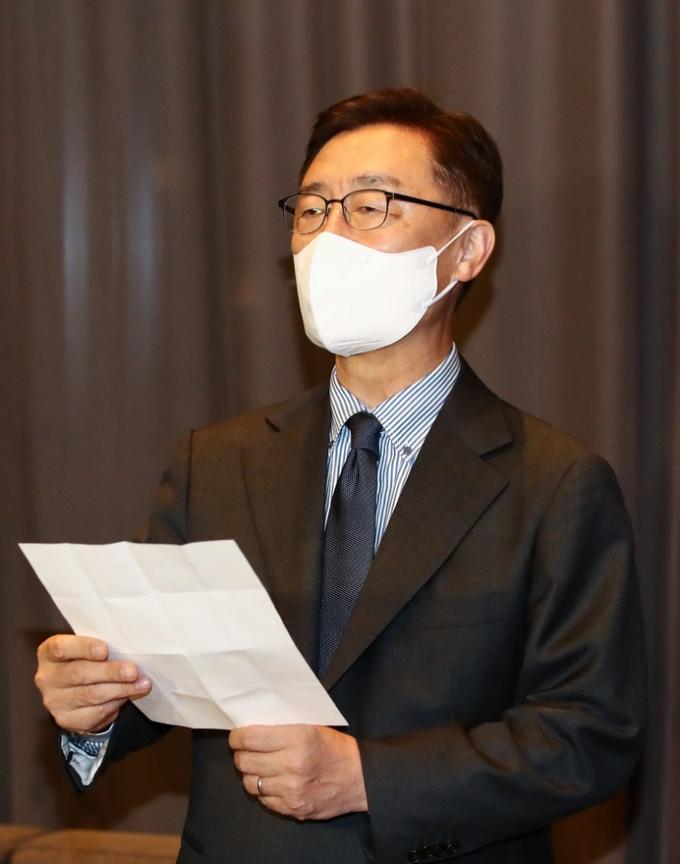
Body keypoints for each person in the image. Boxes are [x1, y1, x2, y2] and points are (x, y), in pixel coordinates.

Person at [34, 88, 645, 864]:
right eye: (312, 209)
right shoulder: (216, 462)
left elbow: (589, 735)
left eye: (370, 206)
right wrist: (92, 711)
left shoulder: (554, 484)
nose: (328, 236)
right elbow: (167, 681)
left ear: (467, 250)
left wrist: (368, 780)